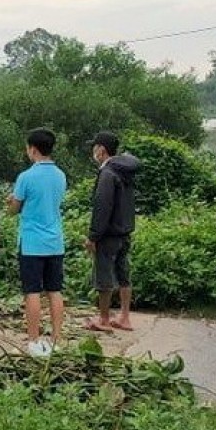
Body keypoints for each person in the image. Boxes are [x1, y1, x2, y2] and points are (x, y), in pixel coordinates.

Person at [7, 127, 67, 357]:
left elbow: (14, 209)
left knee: (32, 292)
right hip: (55, 241)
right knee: (55, 291)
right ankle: (56, 340)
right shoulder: (60, 175)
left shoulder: (26, 177)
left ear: (32, 149)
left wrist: (11, 201)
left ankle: (33, 340)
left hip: (32, 242)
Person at [84, 132, 140, 333]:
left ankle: (104, 318)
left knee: (104, 276)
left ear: (101, 150)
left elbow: (102, 207)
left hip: (108, 234)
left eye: (95, 147)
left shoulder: (107, 174)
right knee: (123, 273)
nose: (93, 151)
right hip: (124, 230)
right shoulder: (124, 170)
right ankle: (124, 316)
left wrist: (93, 236)